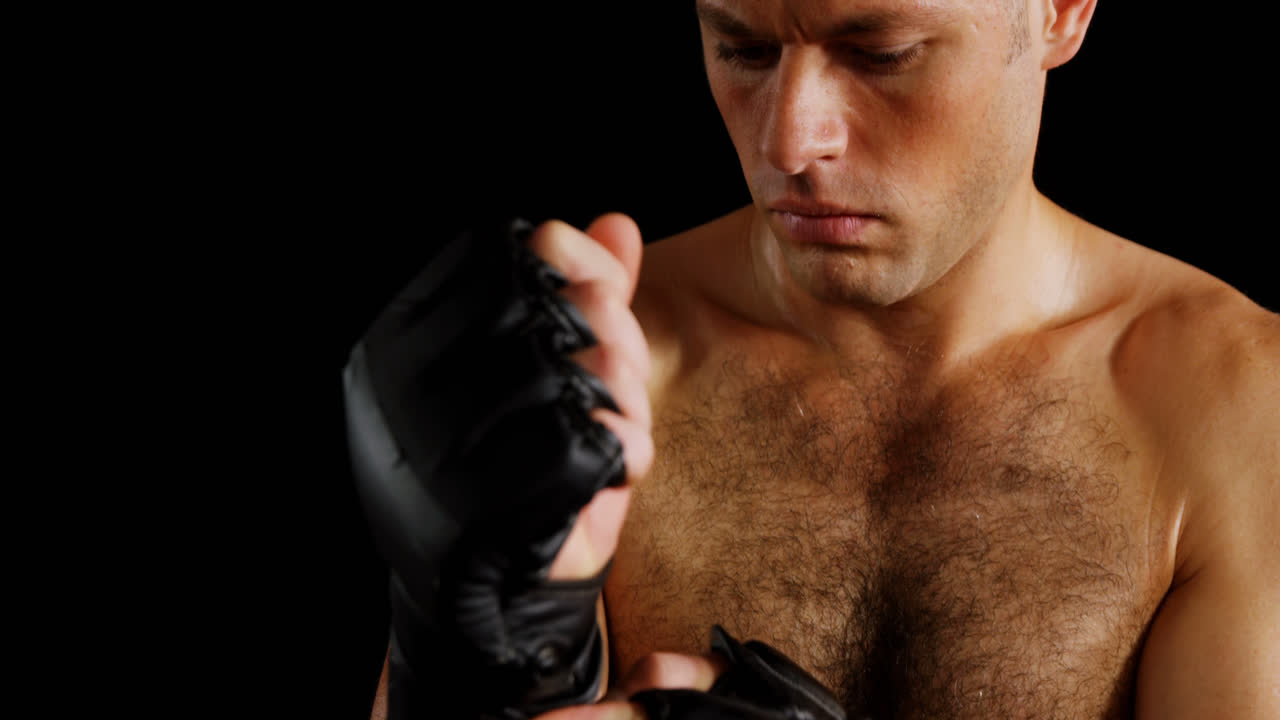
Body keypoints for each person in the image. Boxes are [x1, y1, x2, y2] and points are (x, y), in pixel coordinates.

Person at [354, 1, 1279, 717]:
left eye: (882, 53)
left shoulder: (1235, 410)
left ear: (1060, 10)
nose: (789, 143)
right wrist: (454, 658)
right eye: (744, 49)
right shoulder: (612, 368)